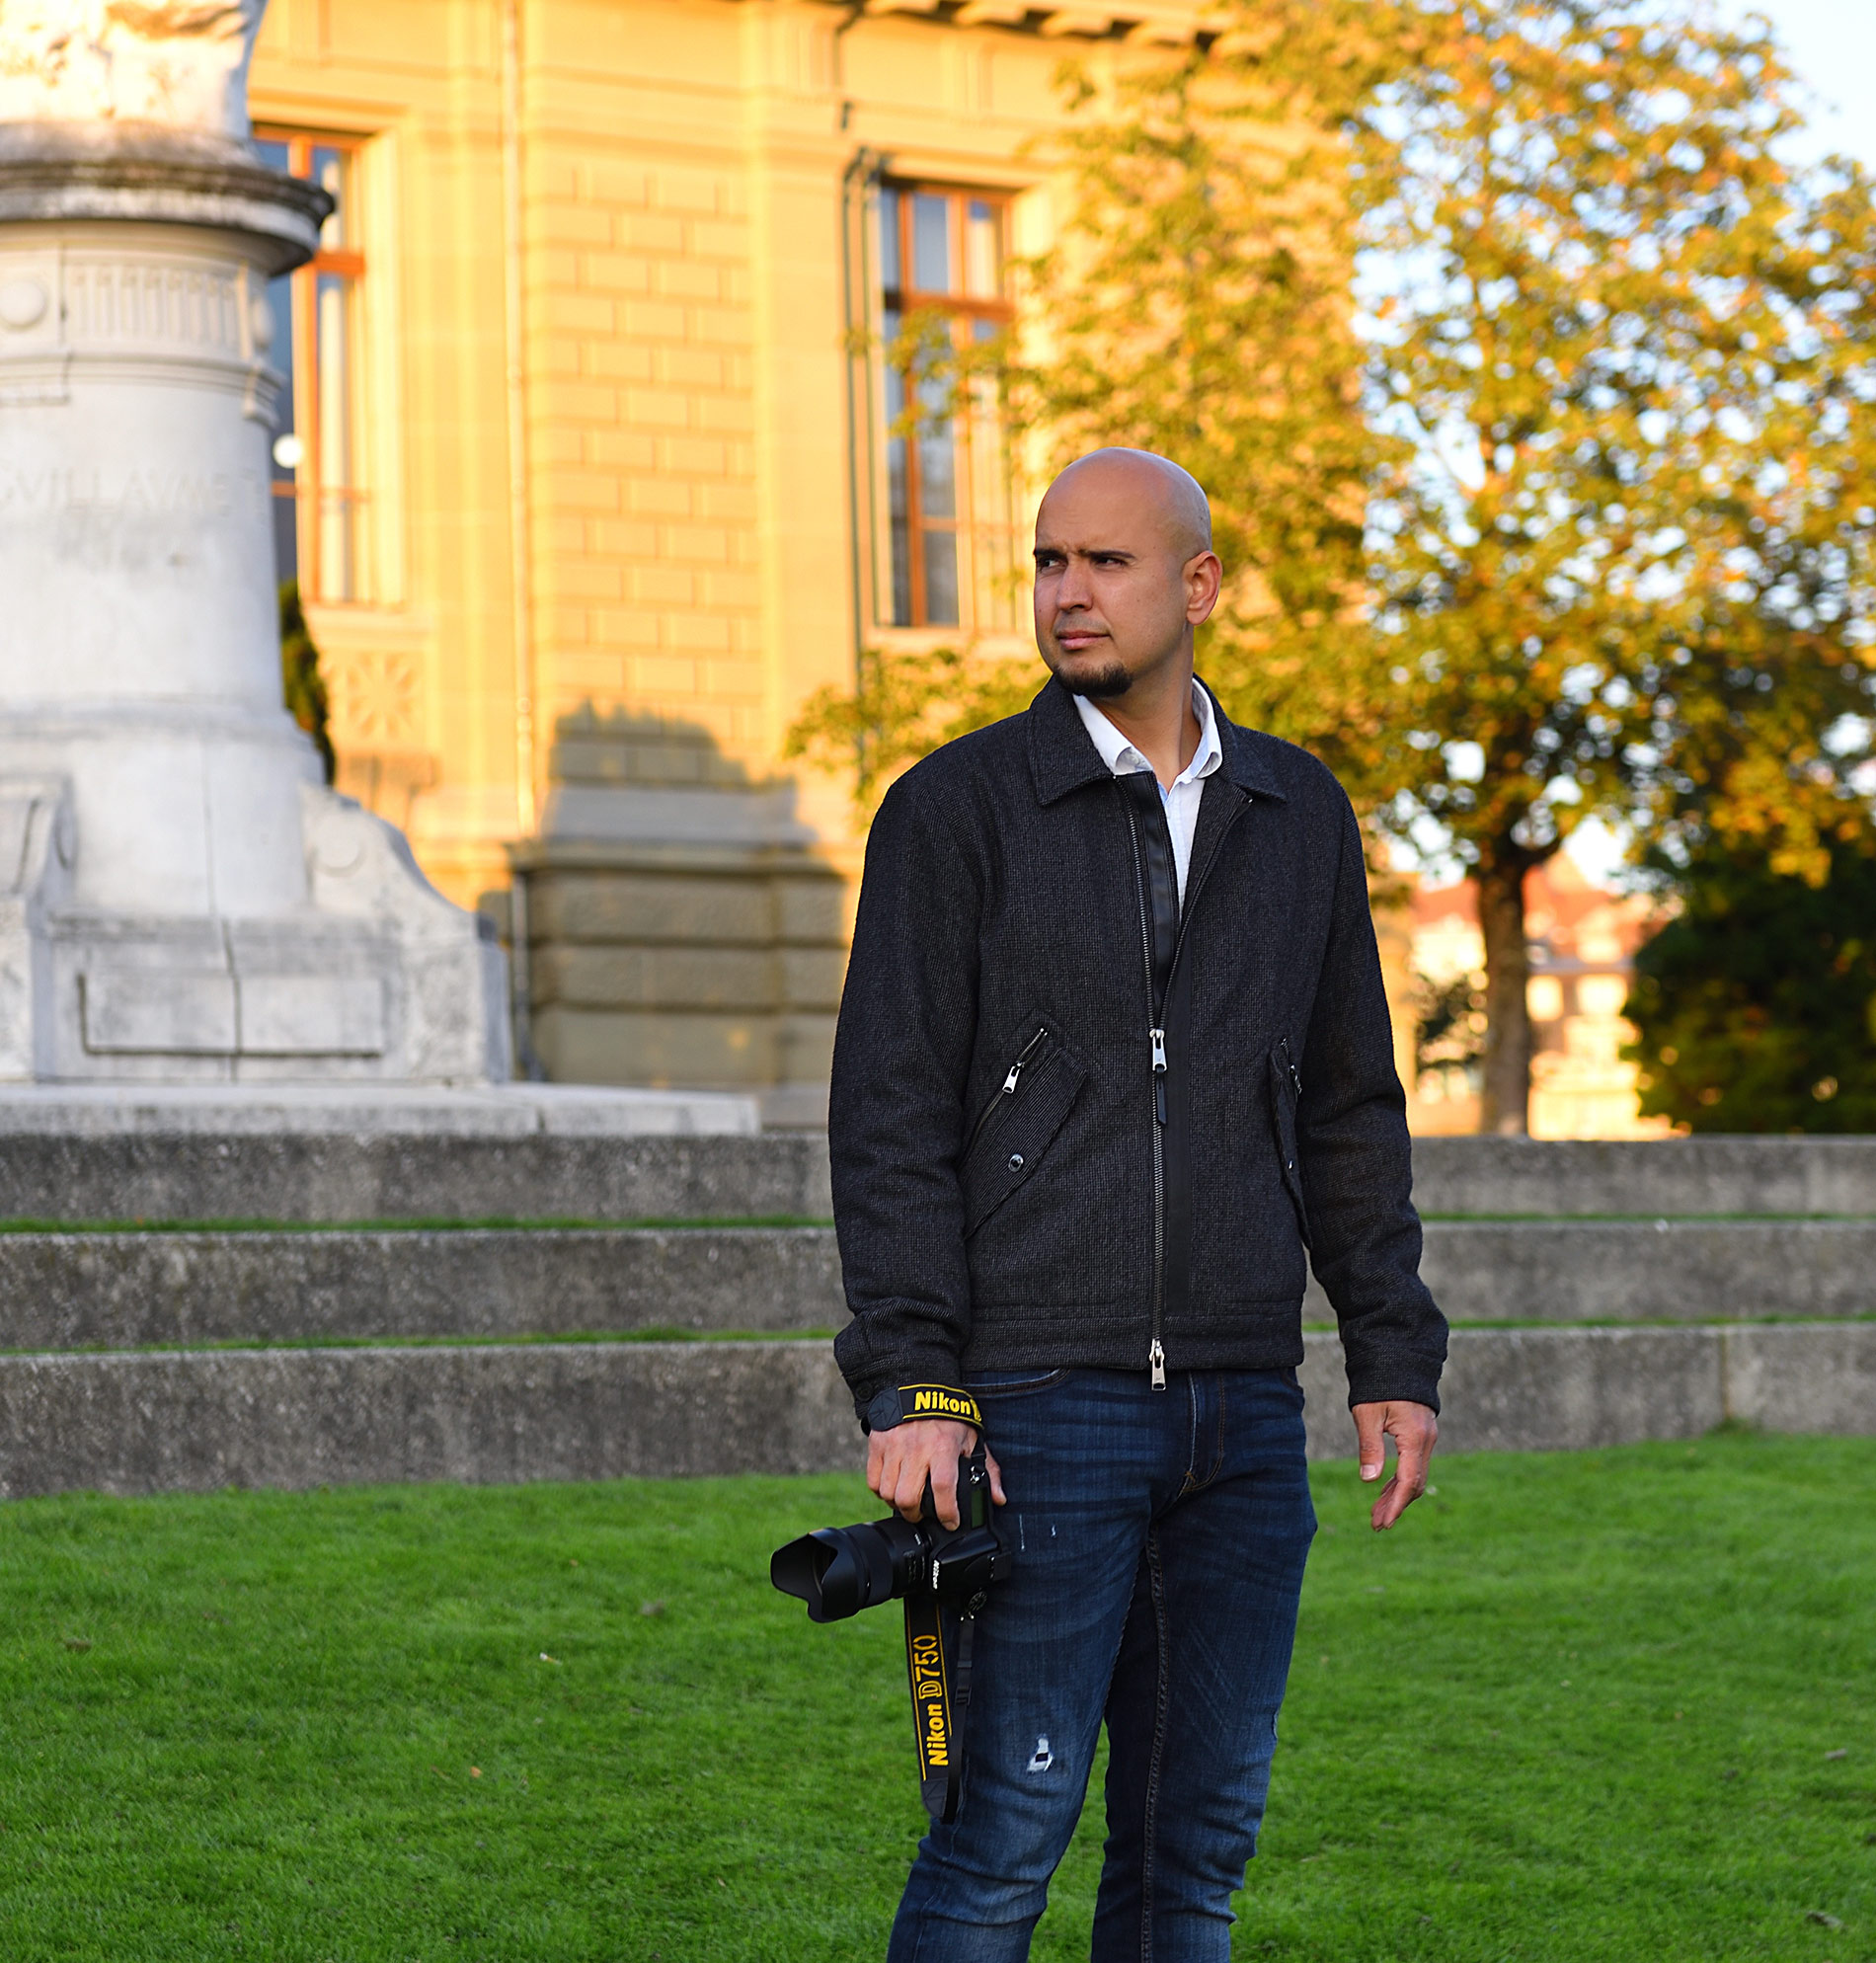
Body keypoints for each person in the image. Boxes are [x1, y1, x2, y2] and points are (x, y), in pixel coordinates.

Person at [828, 446, 1447, 1962]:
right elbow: (891, 1114)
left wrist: (1390, 1352)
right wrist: (916, 1385)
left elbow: (1347, 1105)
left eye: (1104, 563)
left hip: (1242, 1414)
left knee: (1197, 1858)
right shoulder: (958, 809)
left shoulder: (1299, 813)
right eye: (1049, 562)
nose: (1067, 594)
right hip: (1038, 1404)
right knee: (998, 1847)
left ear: (1199, 585)